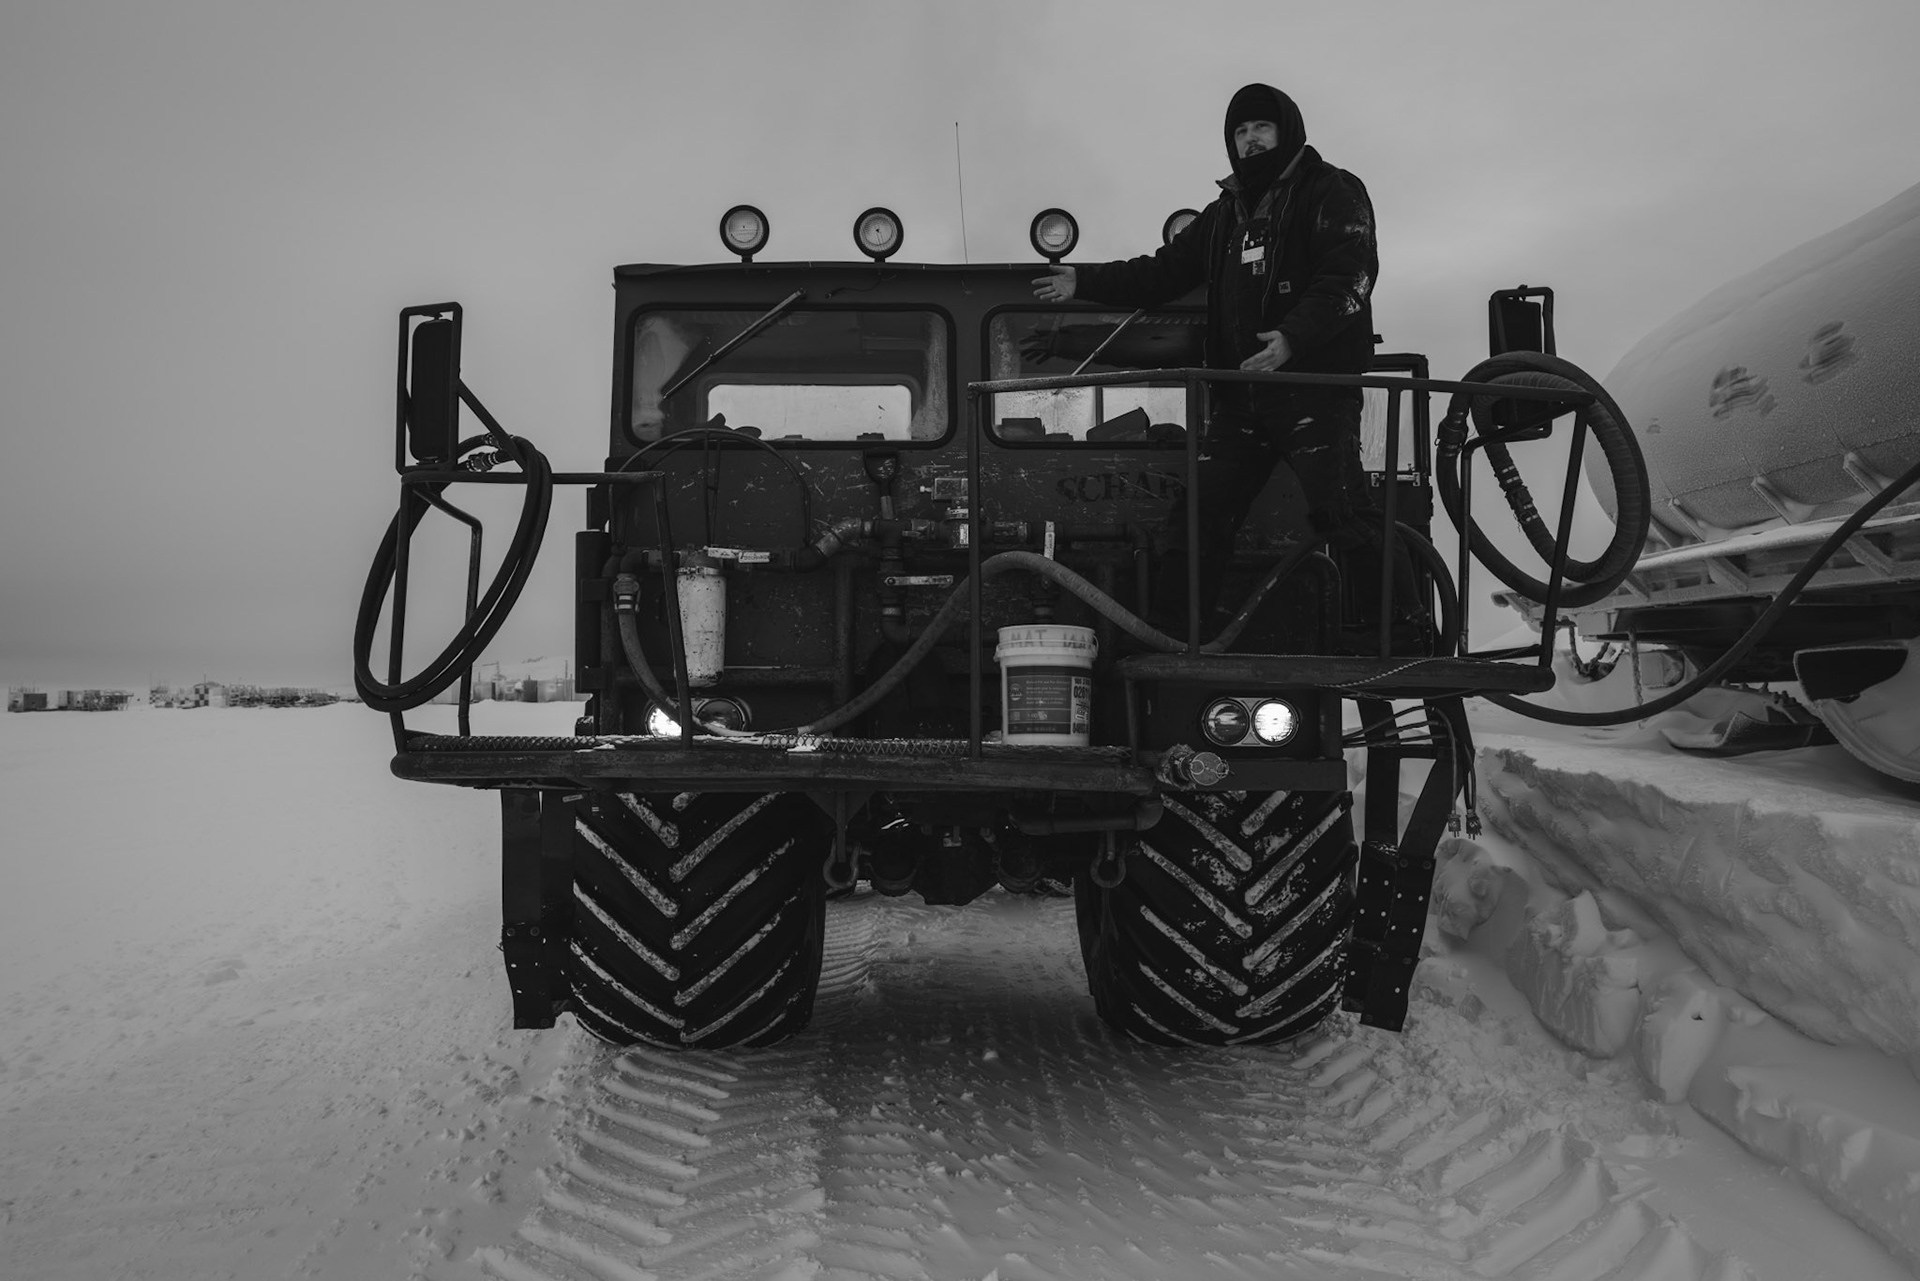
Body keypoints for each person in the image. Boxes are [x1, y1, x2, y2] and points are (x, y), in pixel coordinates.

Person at [1034, 82, 1416, 646]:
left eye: (1261, 128)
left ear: (1286, 131)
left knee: (1344, 512)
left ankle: (1402, 634)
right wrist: (1084, 280)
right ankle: (1177, 636)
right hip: (1240, 397)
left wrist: (1290, 339)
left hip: (1312, 388)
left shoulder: (1332, 191)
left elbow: (1348, 279)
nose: (1251, 140)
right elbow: (1159, 273)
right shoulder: (1223, 215)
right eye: (1240, 132)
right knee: (1196, 519)